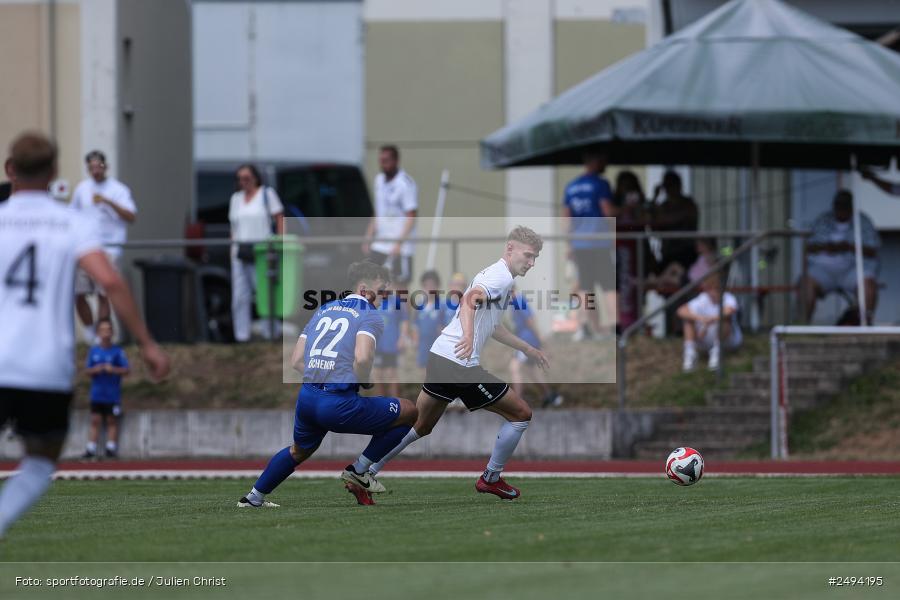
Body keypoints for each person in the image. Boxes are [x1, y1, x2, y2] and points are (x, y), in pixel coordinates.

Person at [0, 132, 169, 539]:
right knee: (39, 463)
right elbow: (110, 282)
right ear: (55, 172)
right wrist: (146, 343)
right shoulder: (71, 223)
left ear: (10, 170)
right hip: (45, 367)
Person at [364, 226, 550, 501]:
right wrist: (469, 334)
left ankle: (364, 469)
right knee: (521, 414)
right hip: (459, 363)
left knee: (421, 425)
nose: (532, 263)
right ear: (510, 249)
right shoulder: (499, 277)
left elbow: (494, 326)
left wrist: (527, 348)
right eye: (529, 255)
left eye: (536, 258)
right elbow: (468, 300)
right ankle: (491, 478)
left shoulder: (500, 277)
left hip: (440, 356)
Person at [237, 262, 418, 508]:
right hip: (337, 403)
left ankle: (253, 498)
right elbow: (363, 357)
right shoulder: (369, 314)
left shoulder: (324, 309)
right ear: (364, 288)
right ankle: (359, 470)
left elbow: (297, 360)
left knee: (298, 451)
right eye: (382, 289)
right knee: (409, 411)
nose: (385, 296)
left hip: (308, 398)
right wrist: (360, 379)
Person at [70, 150, 137, 342]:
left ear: (105, 167)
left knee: (103, 293)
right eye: (91, 167)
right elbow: (73, 215)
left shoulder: (118, 189)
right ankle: (92, 334)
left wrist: (108, 202)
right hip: (85, 247)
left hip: (109, 248)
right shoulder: (82, 188)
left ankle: (103, 335)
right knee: (79, 293)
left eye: (98, 166)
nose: (95, 170)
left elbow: (131, 216)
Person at [799, 190, 880, 324]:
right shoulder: (823, 220)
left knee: (869, 283)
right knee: (805, 282)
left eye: (845, 205)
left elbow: (873, 250)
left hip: (852, 269)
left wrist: (848, 247)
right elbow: (809, 247)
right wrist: (827, 247)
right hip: (824, 269)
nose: (841, 209)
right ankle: (801, 326)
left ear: (851, 206)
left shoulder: (862, 221)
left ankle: (866, 323)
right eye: (839, 205)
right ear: (834, 205)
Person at [562, 150, 617, 341]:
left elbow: (567, 219)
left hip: (579, 244)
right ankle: (615, 326)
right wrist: (615, 234)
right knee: (609, 285)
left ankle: (585, 326)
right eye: (603, 159)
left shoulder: (571, 187)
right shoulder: (601, 184)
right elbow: (607, 212)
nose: (605, 163)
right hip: (599, 241)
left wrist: (569, 244)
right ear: (593, 160)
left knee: (585, 286)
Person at [229, 164, 285, 343]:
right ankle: (242, 335)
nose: (243, 182)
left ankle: (271, 332)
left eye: (247, 178)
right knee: (240, 296)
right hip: (240, 251)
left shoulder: (266, 194)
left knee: (264, 292)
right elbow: (234, 226)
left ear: (255, 178)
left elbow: (279, 217)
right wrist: (232, 248)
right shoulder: (236, 199)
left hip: (262, 251)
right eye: (240, 179)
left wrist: (279, 242)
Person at [363, 145, 418, 286]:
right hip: (381, 243)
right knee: (371, 280)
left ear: (395, 161)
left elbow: (411, 215)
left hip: (400, 245)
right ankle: (375, 308)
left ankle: (404, 309)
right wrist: (369, 236)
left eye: (386, 160)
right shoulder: (379, 180)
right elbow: (378, 210)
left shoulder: (405, 183)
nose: (383, 164)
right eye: (381, 160)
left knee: (399, 286)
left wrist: (399, 243)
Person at [81, 319, 129, 460]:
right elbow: (87, 370)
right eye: (103, 329)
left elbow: (126, 370)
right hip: (97, 394)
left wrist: (112, 369)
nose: (106, 332)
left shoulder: (118, 351)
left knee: (111, 420)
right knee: (95, 420)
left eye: (108, 329)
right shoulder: (94, 351)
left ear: (112, 332)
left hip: (112, 394)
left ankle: (111, 448)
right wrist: (97, 369)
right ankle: (91, 449)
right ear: (98, 332)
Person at [507, 287, 563, 408]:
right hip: (528, 339)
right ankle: (550, 395)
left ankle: (517, 403)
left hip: (526, 341)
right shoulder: (515, 300)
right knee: (530, 370)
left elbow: (530, 321)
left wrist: (540, 339)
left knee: (514, 367)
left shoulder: (518, 300)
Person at [677, 274, 742, 372]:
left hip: (728, 340)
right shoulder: (703, 298)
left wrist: (710, 320)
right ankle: (690, 354)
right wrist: (700, 318)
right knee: (688, 321)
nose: (712, 292)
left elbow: (729, 311)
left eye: (715, 288)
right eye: (709, 288)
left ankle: (717, 352)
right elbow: (681, 310)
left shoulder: (728, 298)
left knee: (725, 321)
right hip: (705, 336)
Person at [649, 171, 699, 280]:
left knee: (679, 279)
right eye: (667, 186)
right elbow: (653, 226)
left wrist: (662, 217)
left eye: (672, 185)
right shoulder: (663, 205)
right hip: (668, 253)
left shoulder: (688, 203)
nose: (670, 189)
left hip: (686, 252)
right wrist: (654, 198)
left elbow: (669, 220)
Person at [411, 270, 455, 369]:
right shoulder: (419, 306)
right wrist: (415, 340)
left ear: (437, 286)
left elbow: (445, 326)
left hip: (437, 346)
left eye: (432, 285)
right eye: (426, 285)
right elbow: (415, 326)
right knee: (423, 372)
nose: (429, 288)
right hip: (423, 345)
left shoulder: (443, 306)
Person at [372, 283, 408, 399]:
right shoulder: (373, 301)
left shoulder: (396, 302)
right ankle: (380, 404)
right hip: (377, 344)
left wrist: (402, 338)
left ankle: (395, 402)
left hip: (391, 343)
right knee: (377, 374)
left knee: (391, 373)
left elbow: (404, 321)